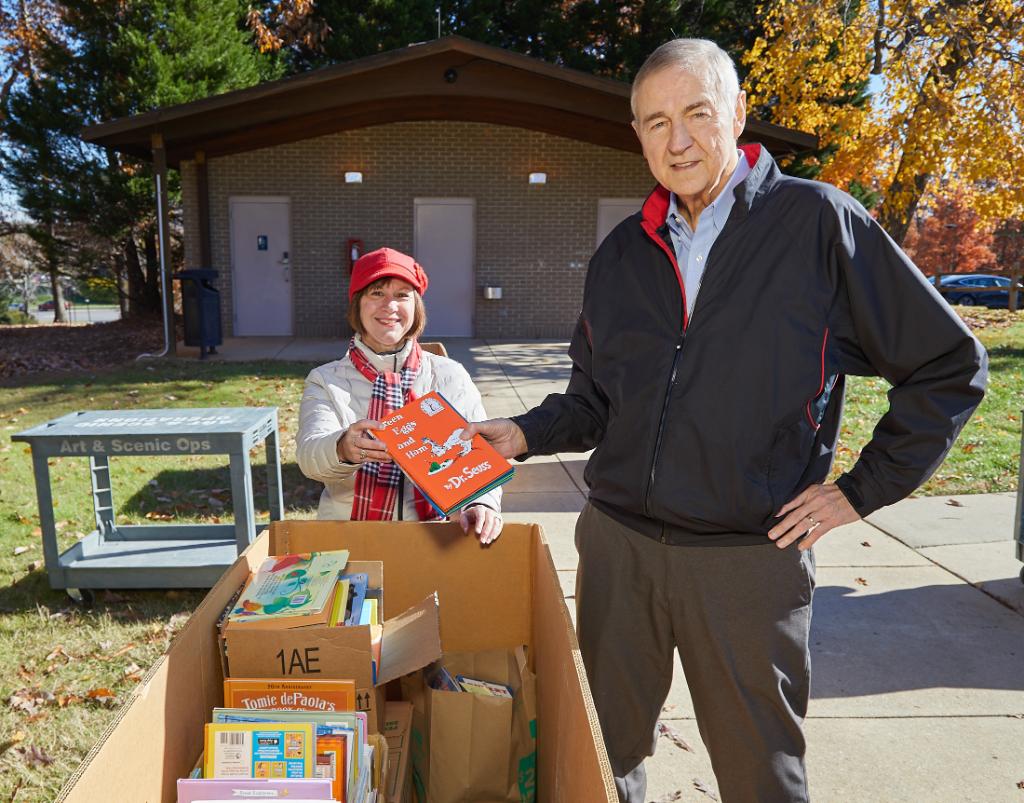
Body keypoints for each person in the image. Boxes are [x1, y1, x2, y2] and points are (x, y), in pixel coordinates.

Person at [462, 38, 986, 802]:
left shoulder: (818, 223)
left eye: (697, 114)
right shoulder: (622, 254)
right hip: (620, 552)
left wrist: (860, 490)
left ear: (737, 113)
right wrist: (522, 433)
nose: (676, 141)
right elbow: (595, 400)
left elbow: (949, 365)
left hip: (748, 560)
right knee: (598, 761)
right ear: (636, 135)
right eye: (653, 122)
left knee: (760, 775)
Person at [296, 246, 502, 544]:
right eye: (376, 293)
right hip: (350, 536)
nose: (389, 306)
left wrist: (481, 503)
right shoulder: (326, 381)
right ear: (357, 304)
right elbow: (309, 456)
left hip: (437, 536)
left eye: (402, 295)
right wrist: (342, 447)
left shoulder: (448, 375)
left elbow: (480, 455)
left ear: (416, 305)